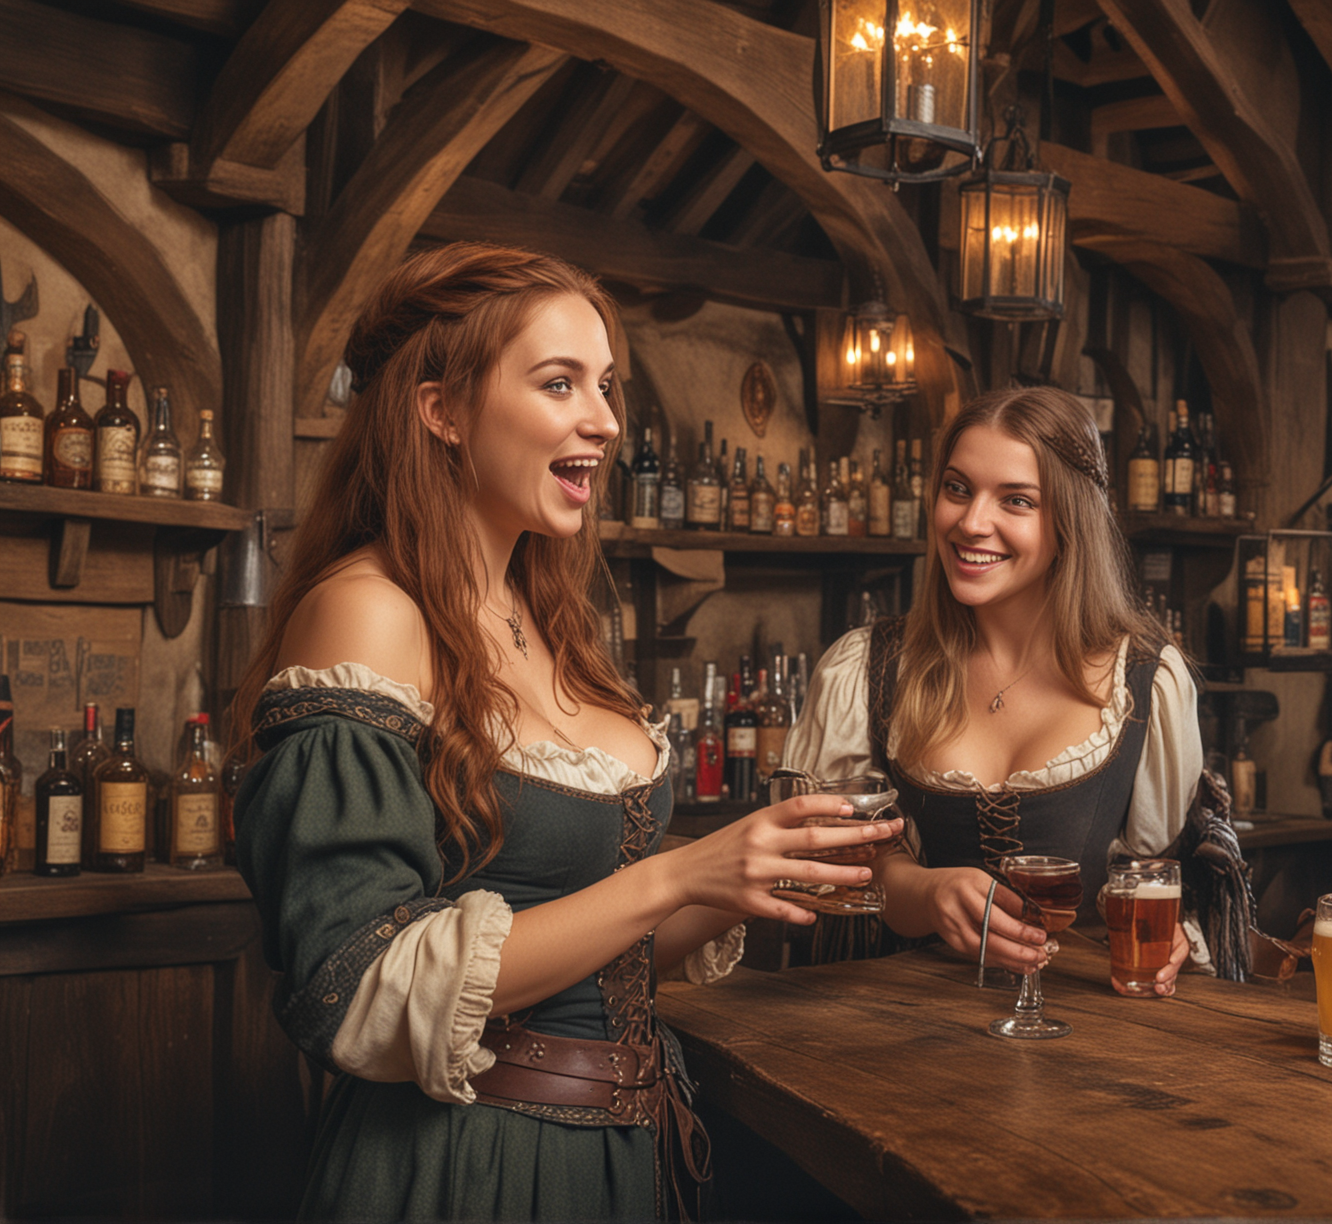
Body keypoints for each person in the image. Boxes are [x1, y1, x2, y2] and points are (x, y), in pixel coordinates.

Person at [230, 242, 898, 1220]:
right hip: (472, 1166)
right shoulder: (367, 613)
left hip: (623, 1158)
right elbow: (353, 984)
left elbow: (606, 944)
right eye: (559, 384)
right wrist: (678, 872)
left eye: (607, 386)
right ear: (441, 410)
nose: (605, 421)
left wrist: (751, 877)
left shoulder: (546, 618)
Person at [785, 386, 1204, 992]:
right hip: (893, 1025)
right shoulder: (867, 669)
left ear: (1070, 522)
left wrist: (1176, 933)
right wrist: (925, 891)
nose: (972, 522)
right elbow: (821, 863)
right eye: (958, 488)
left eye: (1016, 500)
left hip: (1084, 1035)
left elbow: (1169, 879)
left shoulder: (1145, 682)